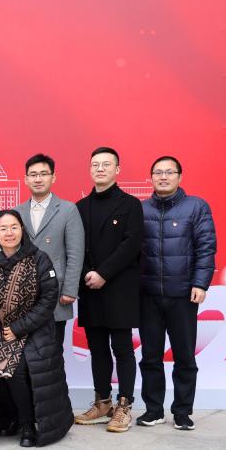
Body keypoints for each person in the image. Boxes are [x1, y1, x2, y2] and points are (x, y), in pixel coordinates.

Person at [0, 210, 74, 447]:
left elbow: (48, 299)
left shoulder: (39, 258)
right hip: (3, 332)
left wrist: (19, 327)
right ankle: (9, 419)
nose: (9, 233)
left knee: (18, 369)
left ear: (22, 230)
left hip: (35, 330)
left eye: (14, 227)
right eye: (3, 228)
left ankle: (27, 425)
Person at [138, 156, 217, 431]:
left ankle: (182, 412)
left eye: (169, 172)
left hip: (183, 295)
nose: (163, 177)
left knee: (184, 357)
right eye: (158, 172)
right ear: (151, 177)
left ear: (180, 177)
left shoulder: (196, 207)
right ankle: (153, 410)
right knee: (150, 356)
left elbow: (206, 247)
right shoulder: (140, 209)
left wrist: (200, 284)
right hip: (148, 295)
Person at [75, 147, 144, 433]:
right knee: (98, 350)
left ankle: (124, 405)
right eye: (95, 164)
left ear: (117, 169)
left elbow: (131, 244)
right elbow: (75, 248)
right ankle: (102, 403)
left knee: (123, 349)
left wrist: (103, 273)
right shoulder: (80, 207)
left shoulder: (130, 205)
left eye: (106, 164)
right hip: (90, 288)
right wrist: (87, 274)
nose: (100, 169)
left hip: (119, 288)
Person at [15, 154, 85, 344]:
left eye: (44, 174)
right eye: (33, 175)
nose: (38, 179)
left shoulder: (68, 210)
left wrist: (70, 289)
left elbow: (75, 253)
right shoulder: (17, 212)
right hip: (23, 293)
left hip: (55, 291)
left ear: (53, 177)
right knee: (25, 351)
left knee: (52, 350)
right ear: (26, 179)